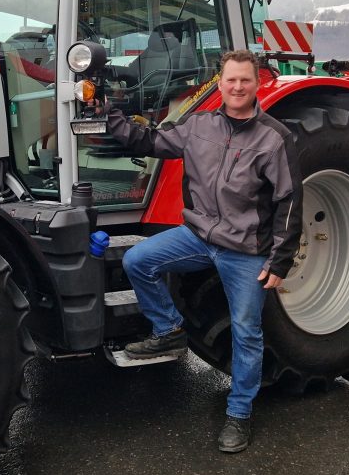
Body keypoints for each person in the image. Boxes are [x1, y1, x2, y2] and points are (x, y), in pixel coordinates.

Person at [104, 49, 303, 453]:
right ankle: (169, 331)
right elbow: (151, 139)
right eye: (230, 80)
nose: (237, 87)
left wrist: (280, 260)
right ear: (220, 82)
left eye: (245, 80)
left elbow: (289, 202)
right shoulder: (199, 126)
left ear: (256, 83)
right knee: (137, 260)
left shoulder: (273, 138)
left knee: (247, 333)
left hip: (244, 250)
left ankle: (239, 414)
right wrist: (110, 114)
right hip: (198, 237)